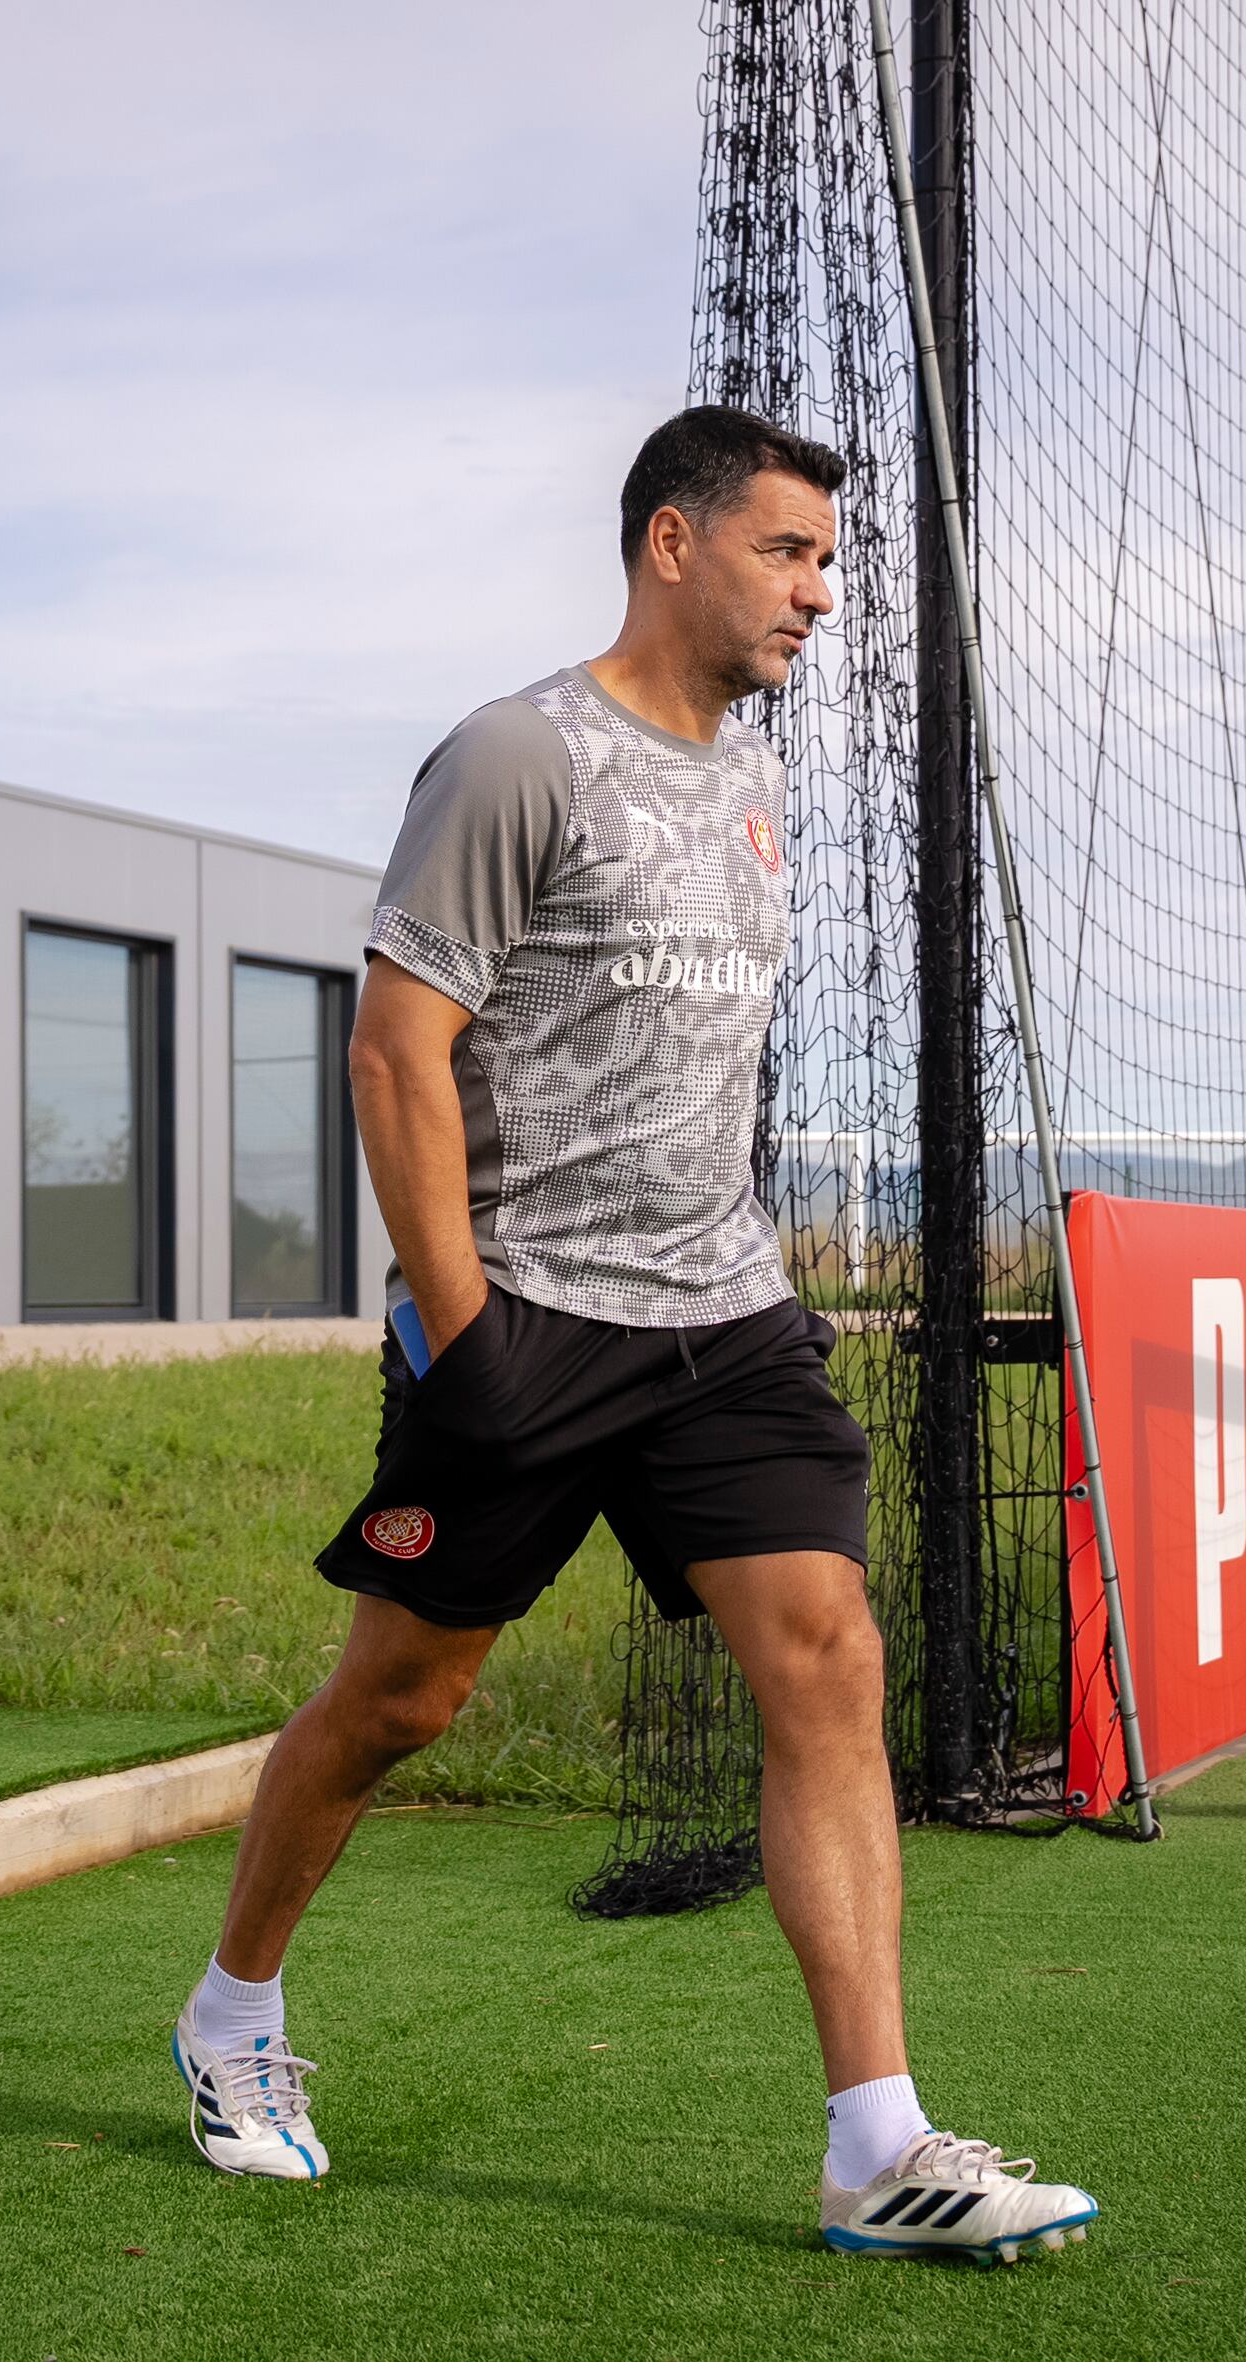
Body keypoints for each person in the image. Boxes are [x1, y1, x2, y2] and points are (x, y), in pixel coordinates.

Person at [166, 406, 1099, 2264]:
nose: (815, 592)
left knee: (827, 1651)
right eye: (784, 550)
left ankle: (876, 2143)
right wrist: (465, 1339)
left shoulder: (751, 780)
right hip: (522, 1317)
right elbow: (393, 1054)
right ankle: (229, 2014)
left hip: (722, 1315)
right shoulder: (518, 754)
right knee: (401, 1702)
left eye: (825, 560)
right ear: (672, 543)